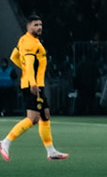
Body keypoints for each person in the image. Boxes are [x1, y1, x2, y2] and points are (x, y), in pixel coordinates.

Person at [1, 14, 67, 162]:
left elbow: (14, 57)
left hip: (36, 83)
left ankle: (51, 151)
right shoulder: (30, 43)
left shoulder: (24, 40)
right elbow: (29, 64)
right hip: (34, 85)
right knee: (32, 118)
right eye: (36, 25)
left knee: (45, 115)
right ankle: (5, 142)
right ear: (28, 26)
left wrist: (25, 71)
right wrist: (32, 82)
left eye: (40, 25)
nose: (39, 27)